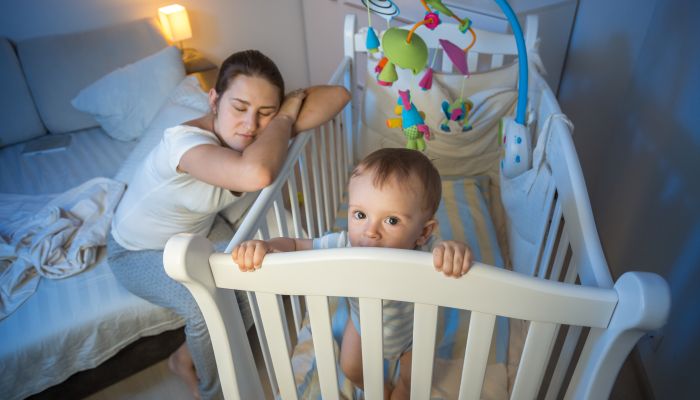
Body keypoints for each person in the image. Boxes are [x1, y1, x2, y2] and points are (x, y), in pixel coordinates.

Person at [107, 49, 350, 400]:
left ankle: (184, 355)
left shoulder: (259, 131)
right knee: (204, 308)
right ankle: (210, 390)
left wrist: (286, 107)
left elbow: (339, 96)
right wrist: (283, 118)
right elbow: (257, 173)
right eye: (239, 108)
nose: (250, 125)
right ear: (214, 100)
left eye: (264, 112)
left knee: (253, 275)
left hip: (198, 231)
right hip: (137, 251)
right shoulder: (184, 145)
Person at [232, 148, 473, 400]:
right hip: (361, 325)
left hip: (414, 333)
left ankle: (400, 390)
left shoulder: (427, 252)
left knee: (415, 379)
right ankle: (380, 391)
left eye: (391, 220)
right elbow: (295, 245)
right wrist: (268, 246)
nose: (370, 231)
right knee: (351, 368)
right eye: (360, 215)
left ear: (423, 232)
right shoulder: (345, 245)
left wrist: (455, 252)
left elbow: (451, 257)